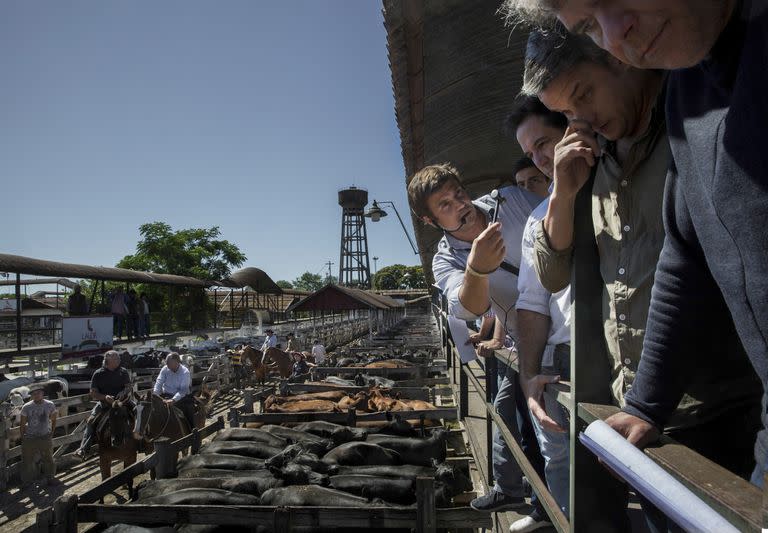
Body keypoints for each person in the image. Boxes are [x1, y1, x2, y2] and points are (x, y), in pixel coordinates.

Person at [504, 0, 768, 493]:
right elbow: (556, 271)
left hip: (723, 403)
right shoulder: (592, 161)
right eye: (564, 113)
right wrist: (563, 191)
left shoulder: (696, 105)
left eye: (583, 95)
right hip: (644, 402)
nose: (579, 119)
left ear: (618, 61)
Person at [408, 163, 545, 518]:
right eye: (445, 205)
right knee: (531, 424)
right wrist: (478, 268)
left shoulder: (511, 200)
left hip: (571, 326)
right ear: (430, 220)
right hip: (525, 344)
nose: (460, 206)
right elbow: (470, 307)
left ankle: (538, 500)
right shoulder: (445, 259)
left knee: (547, 426)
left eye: (459, 194)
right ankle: (536, 501)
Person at [507, 95, 571, 532]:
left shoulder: (616, 188)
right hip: (560, 355)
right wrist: (529, 376)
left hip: (618, 354)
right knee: (561, 458)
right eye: (531, 152)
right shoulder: (535, 219)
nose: (541, 159)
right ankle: (562, 517)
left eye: (544, 143)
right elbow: (532, 302)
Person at [76, 350, 132, 459]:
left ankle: (144, 442)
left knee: (139, 412)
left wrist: (124, 392)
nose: (119, 360)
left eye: (118, 358)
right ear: (108, 361)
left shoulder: (123, 371)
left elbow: (128, 386)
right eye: (116, 358)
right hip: (105, 404)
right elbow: (93, 392)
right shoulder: (98, 374)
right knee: (91, 421)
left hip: (122, 402)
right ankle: (83, 448)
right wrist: (104, 397)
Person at [19, 385, 58, 486]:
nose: (36, 395)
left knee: (48, 458)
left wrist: (51, 433)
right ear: (31, 396)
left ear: (42, 393)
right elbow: (22, 424)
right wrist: (23, 437)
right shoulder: (26, 407)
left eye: (38, 393)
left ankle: (50, 477)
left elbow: (54, 420)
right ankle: (27, 481)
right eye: (34, 394)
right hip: (30, 437)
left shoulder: (50, 405)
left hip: (45, 435)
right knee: (27, 459)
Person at [153, 352, 195, 431]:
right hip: (166, 395)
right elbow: (159, 382)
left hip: (182, 397)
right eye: (166, 362)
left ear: (176, 362)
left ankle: (192, 433)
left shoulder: (185, 372)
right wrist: (155, 395)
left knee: (188, 411)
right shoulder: (165, 369)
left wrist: (173, 400)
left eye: (168, 362)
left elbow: (183, 390)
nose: (167, 364)